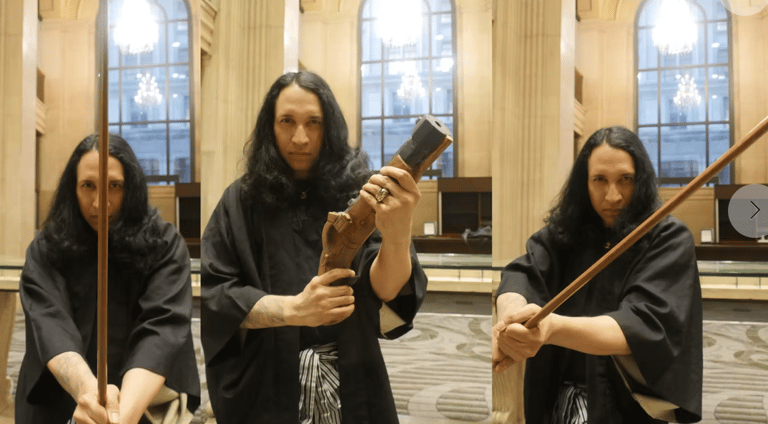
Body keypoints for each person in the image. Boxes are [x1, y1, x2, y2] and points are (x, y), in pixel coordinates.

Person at [201, 70, 427, 423]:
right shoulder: (240, 200)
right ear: (270, 127)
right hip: (266, 381)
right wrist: (294, 310)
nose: (300, 138)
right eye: (287, 121)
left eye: (313, 122)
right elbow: (217, 295)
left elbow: (385, 294)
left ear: (329, 126)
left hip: (352, 373)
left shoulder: (361, 194)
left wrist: (398, 234)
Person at [493, 126, 702, 423]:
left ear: (641, 180)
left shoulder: (667, 237)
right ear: (584, 182)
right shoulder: (566, 232)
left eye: (625, 179)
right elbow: (522, 273)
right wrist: (511, 316)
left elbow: (642, 324)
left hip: (625, 404)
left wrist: (551, 328)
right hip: (555, 398)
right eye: (600, 180)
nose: (612, 196)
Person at [16, 134, 200, 424]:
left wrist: (120, 417)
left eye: (114, 186)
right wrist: (86, 391)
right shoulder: (47, 247)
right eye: (88, 185)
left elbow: (162, 327)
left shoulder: (164, 244)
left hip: (141, 401)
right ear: (72, 188)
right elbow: (50, 324)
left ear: (131, 188)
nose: (100, 203)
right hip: (60, 401)